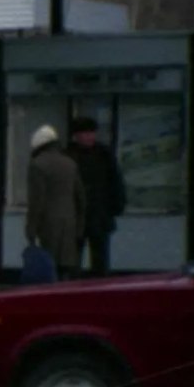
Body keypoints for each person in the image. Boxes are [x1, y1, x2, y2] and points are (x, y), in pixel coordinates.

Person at [69, 116, 127, 276]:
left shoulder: (104, 154)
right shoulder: (69, 155)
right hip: (76, 216)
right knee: (73, 261)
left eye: (91, 133)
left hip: (99, 214)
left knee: (100, 260)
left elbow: (115, 181)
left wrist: (116, 205)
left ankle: (98, 287)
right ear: (76, 136)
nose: (89, 137)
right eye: (85, 133)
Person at [27, 123, 85, 280]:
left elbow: (37, 201)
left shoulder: (38, 165)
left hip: (48, 223)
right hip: (69, 222)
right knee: (65, 265)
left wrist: (31, 229)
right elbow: (80, 197)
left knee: (47, 264)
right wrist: (79, 225)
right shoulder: (70, 163)